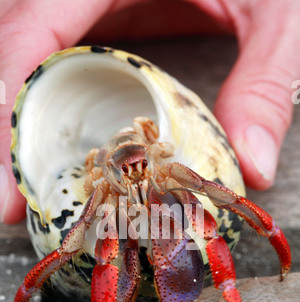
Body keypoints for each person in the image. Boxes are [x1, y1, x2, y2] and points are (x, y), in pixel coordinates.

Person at [0, 0, 299, 224]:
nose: (137, 179)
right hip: (109, 180)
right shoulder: (104, 185)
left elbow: (204, 186)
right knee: (116, 244)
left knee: (201, 201)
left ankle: (263, 236)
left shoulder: (163, 169)